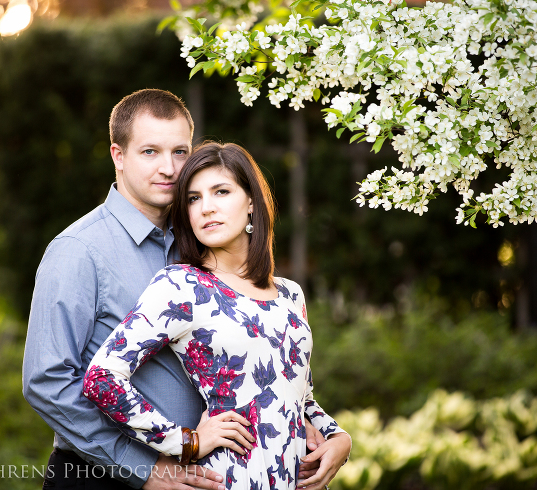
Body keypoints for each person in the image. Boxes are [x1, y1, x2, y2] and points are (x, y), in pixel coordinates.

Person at [23, 90, 326, 490]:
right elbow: (47, 382)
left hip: (204, 474)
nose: (168, 168)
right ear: (118, 155)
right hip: (103, 477)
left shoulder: (202, 244)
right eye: (150, 152)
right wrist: (143, 467)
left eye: (180, 152)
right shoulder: (79, 250)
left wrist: (317, 426)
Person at [83, 142, 352, 490]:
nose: (206, 208)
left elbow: (300, 396)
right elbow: (102, 378)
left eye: (221, 191)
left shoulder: (290, 294)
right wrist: (184, 442)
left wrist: (339, 439)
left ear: (251, 201)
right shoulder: (183, 285)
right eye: (193, 198)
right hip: (230, 479)